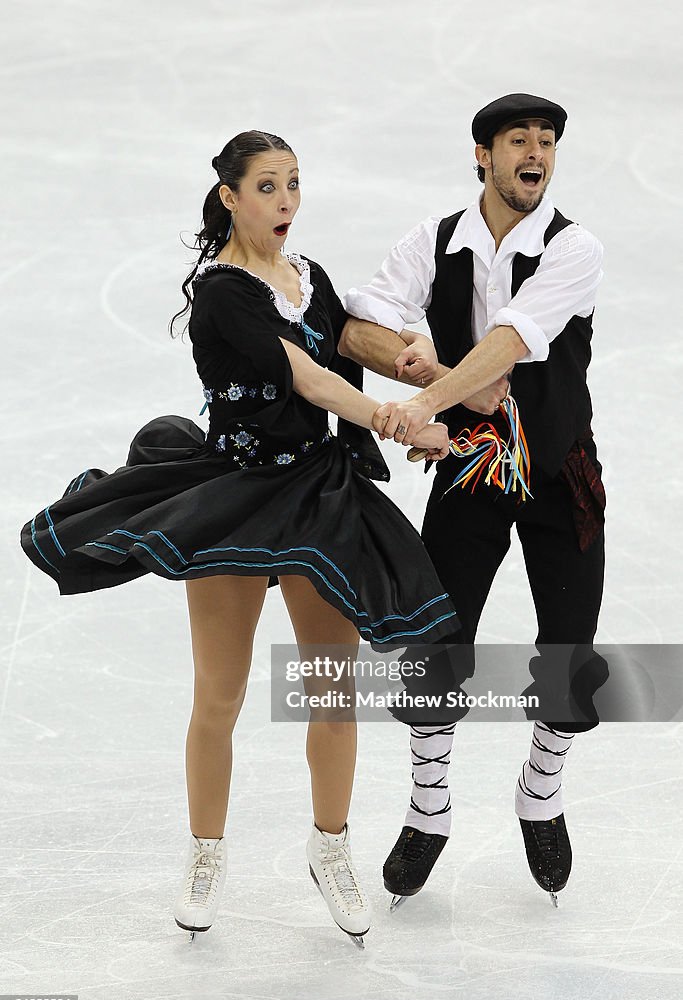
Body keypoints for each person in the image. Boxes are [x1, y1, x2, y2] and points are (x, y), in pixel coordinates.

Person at [20, 130, 457, 946]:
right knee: (219, 695)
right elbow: (309, 375)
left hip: (319, 494)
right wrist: (393, 419)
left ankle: (330, 849)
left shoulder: (309, 276)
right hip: (235, 493)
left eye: (293, 183)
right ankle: (205, 851)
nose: (285, 200)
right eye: (266, 186)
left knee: (331, 690)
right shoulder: (222, 290)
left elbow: (353, 338)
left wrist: (418, 362)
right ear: (229, 196)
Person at [340, 94, 607, 908]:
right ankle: (428, 811)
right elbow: (357, 328)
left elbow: (512, 341)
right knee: (434, 643)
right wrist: (425, 372)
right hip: (469, 467)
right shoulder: (434, 240)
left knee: (568, 650)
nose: (537, 153)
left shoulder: (574, 248)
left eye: (547, 142)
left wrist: (423, 399)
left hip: (559, 474)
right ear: (482, 157)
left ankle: (540, 795)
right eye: (518, 141)